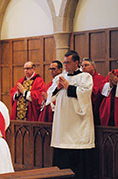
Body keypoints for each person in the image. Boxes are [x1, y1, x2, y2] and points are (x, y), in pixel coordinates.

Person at [47, 50, 95, 179]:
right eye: (64, 62)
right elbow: (49, 97)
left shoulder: (85, 77)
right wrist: (57, 87)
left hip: (78, 125)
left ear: (76, 63)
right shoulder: (59, 78)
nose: (66, 65)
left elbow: (85, 94)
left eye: (68, 62)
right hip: (62, 126)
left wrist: (69, 86)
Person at [99, 49, 118, 127]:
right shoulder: (115, 72)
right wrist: (110, 84)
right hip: (112, 107)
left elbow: (117, 83)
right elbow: (102, 89)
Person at [81, 58, 105, 125]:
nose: (83, 68)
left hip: (94, 111)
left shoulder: (100, 79)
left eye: (86, 65)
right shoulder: (81, 79)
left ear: (93, 67)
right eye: (82, 66)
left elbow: (96, 94)